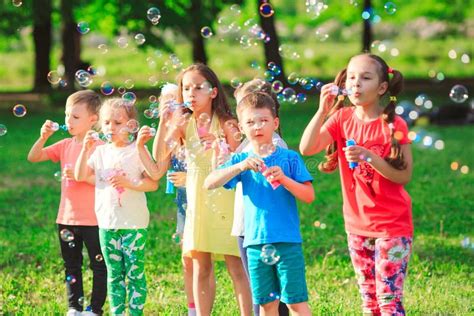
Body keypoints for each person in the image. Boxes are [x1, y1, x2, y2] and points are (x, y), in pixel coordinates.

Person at [300, 53, 413, 315]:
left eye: (365, 78)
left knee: (388, 302)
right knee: (369, 302)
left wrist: (370, 157)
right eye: (351, 77)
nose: (356, 84)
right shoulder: (342, 119)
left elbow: (404, 176)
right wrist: (321, 110)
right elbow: (307, 147)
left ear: (382, 87)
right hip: (357, 225)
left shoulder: (394, 124)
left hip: (392, 226)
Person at [153, 63, 252, 315]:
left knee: (236, 266)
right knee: (201, 266)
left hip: (228, 202)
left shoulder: (228, 124)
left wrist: (223, 147)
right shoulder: (184, 125)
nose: (191, 93)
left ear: (214, 92)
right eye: (186, 88)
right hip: (199, 204)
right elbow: (160, 156)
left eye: (198, 87)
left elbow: (245, 160)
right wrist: (165, 124)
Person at [205, 92, 314, 316]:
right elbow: (209, 183)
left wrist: (284, 179)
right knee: (266, 305)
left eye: (263, 120)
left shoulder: (290, 158)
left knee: (295, 303)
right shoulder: (240, 160)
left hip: (287, 241)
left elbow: (309, 195)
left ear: (275, 123)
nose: (257, 126)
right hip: (255, 242)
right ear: (242, 128)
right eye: (250, 122)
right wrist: (239, 167)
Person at [137, 83, 215, 316]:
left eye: (174, 101)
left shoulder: (197, 129)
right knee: (188, 260)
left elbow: (215, 164)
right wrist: (162, 123)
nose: (170, 107)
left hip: (208, 200)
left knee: (205, 262)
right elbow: (157, 168)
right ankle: (193, 310)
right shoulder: (171, 133)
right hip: (185, 205)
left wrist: (189, 177)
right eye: (165, 103)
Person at [75, 98, 158, 315]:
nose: (111, 127)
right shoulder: (100, 152)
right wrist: (85, 150)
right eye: (106, 122)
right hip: (107, 223)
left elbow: (153, 183)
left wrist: (129, 183)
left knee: (134, 273)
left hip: (134, 224)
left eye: (118, 122)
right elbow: (80, 175)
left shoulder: (137, 150)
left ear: (132, 125)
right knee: (114, 274)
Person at [27, 90, 106, 316]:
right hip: (67, 218)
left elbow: (106, 181)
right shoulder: (64, 145)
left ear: (93, 120)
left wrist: (82, 176)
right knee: (71, 267)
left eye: (75, 117)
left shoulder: (100, 147)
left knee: (99, 265)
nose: (68, 121)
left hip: (94, 218)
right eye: (66, 115)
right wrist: (43, 138)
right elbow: (33, 157)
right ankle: (74, 307)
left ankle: (95, 309)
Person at [233, 79, 289, 316]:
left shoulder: (274, 145)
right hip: (247, 224)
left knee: (268, 291)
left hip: (264, 227)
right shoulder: (246, 144)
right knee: (260, 288)